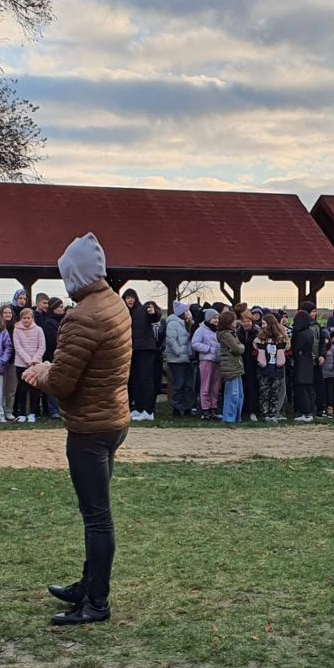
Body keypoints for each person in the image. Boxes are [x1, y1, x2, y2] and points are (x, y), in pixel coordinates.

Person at [23, 234, 131, 627]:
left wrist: (40, 373)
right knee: (96, 515)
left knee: (97, 517)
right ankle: (89, 584)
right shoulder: (115, 303)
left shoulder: (83, 315)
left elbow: (64, 382)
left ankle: (97, 602)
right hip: (113, 419)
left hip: (89, 427)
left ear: (75, 276)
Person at [125, 290, 158, 421]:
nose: (130, 300)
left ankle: (148, 411)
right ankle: (139, 409)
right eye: (128, 298)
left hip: (145, 349)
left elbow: (155, 316)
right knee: (135, 380)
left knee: (146, 380)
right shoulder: (124, 312)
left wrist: (153, 312)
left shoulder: (143, 309)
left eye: (132, 297)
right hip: (132, 350)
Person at [14, 308, 48, 423]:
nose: (26, 320)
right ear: (21, 319)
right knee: (22, 389)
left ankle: (33, 413)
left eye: (29, 318)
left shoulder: (39, 330)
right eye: (24, 318)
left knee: (35, 389)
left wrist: (35, 360)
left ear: (32, 318)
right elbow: (18, 347)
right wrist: (28, 360)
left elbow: (42, 346)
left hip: (35, 364)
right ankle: (22, 413)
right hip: (21, 363)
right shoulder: (17, 330)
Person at [163, 303, 196, 418]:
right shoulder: (173, 323)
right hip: (177, 359)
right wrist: (179, 351)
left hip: (187, 358)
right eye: (187, 311)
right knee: (179, 383)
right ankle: (176, 408)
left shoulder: (188, 324)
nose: (189, 313)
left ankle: (187, 407)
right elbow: (171, 340)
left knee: (188, 384)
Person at [256, 313, 290, 421]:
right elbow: (255, 346)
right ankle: (265, 414)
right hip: (264, 370)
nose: (262, 326)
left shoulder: (281, 337)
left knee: (275, 393)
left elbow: (287, 347)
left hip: (276, 370)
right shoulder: (260, 337)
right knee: (264, 393)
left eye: (264, 323)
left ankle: (274, 413)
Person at [215, 310, 247, 424]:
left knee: (239, 395)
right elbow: (238, 349)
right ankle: (229, 418)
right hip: (231, 367)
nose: (236, 322)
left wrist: (239, 346)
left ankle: (236, 417)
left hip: (236, 366)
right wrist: (241, 347)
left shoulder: (232, 333)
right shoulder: (226, 335)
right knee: (233, 394)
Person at [290, 304, 320, 422]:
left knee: (302, 389)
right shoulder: (309, 332)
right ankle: (308, 412)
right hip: (308, 362)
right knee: (308, 389)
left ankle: (305, 412)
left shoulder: (300, 334)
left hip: (301, 363)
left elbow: (295, 348)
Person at [191, 310, 223, 420]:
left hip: (217, 361)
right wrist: (208, 349)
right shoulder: (201, 330)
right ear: (208, 318)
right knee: (206, 385)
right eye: (214, 318)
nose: (216, 320)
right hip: (206, 360)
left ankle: (213, 407)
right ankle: (205, 409)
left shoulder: (218, 331)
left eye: (217, 318)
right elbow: (195, 343)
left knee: (215, 386)